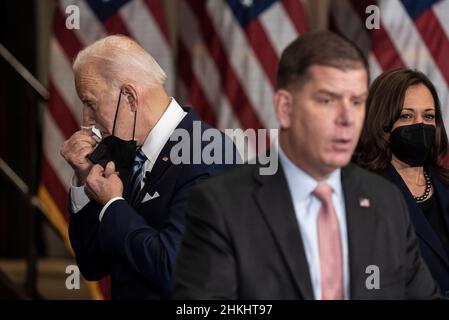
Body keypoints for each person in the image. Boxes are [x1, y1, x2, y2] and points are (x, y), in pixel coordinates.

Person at [173, 31, 440, 300]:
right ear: (285, 108)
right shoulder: (221, 204)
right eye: (328, 100)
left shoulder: (386, 201)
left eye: (357, 102)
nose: (347, 118)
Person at [60, 35, 237, 299]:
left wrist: (113, 205)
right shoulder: (125, 150)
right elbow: (93, 266)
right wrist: (84, 180)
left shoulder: (206, 152)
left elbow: (176, 269)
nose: (86, 121)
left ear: (130, 97)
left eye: (90, 103)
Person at [354, 68, 449, 297]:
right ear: (382, 123)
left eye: (428, 116)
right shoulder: (362, 194)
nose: (420, 125)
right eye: (407, 116)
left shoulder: (445, 184)